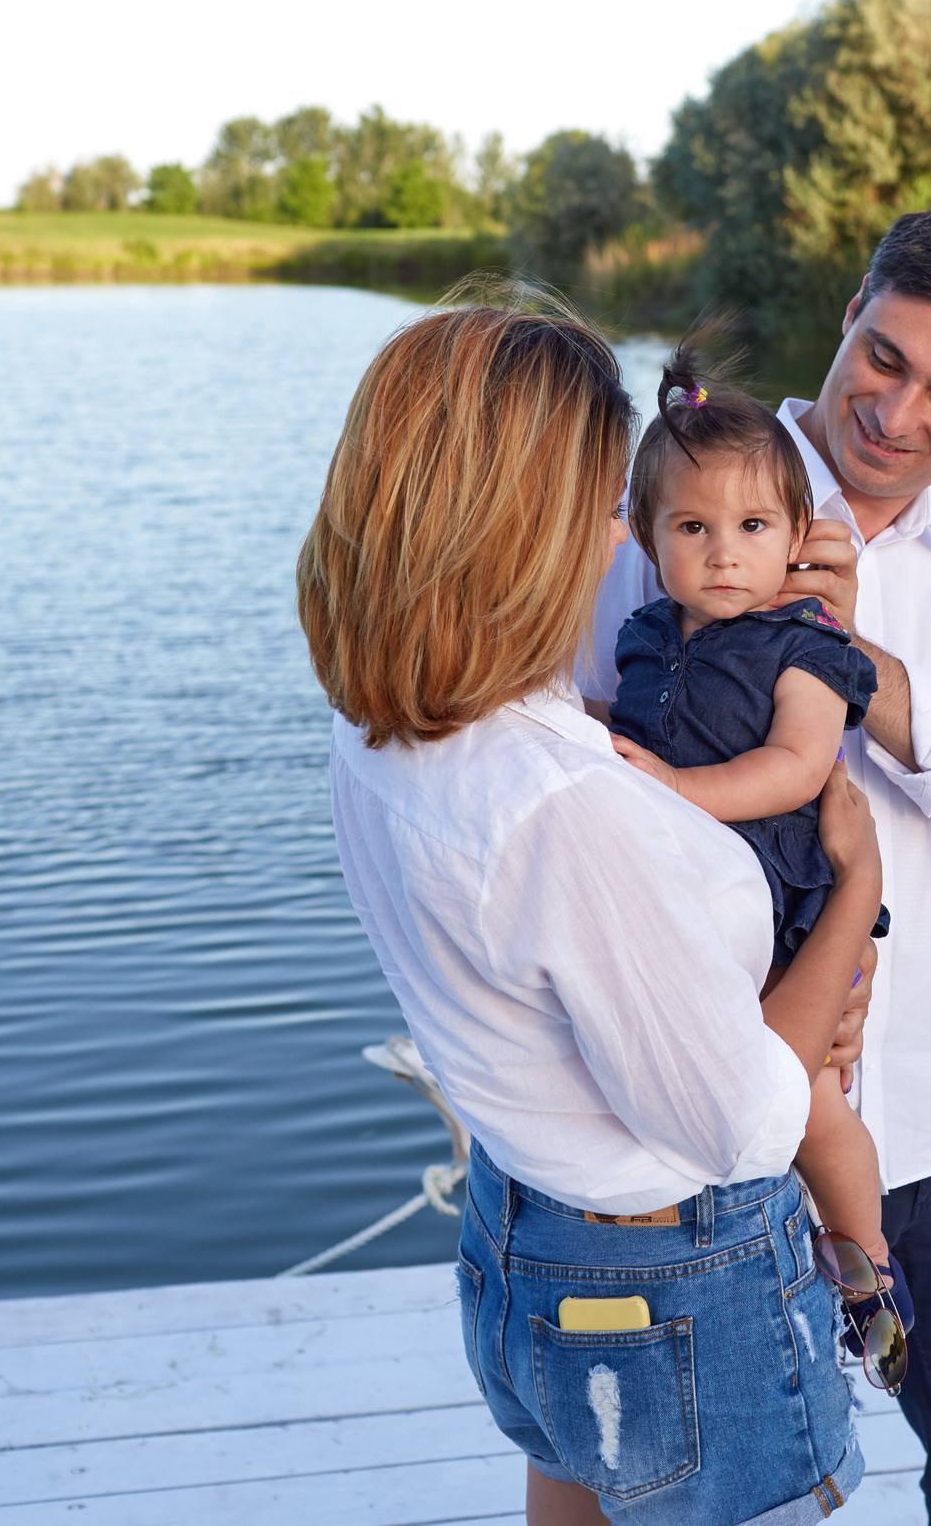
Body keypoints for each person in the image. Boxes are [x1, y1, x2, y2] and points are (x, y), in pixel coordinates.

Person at [300, 289, 883, 1525]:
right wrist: (856, 900)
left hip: (522, 1228)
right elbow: (741, 1125)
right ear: (521, 527)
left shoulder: (380, 730)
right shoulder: (565, 806)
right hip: (672, 1273)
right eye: (603, 503)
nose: (621, 531)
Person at [583, 203, 931, 1526]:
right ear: (851, 309)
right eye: (886, 358)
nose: (897, 414)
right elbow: (569, 765)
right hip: (712, 1117)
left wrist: (855, 655)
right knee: (690, 1486)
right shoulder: (677, 495)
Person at [598, 343, 907, 1371]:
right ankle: (746, 1266)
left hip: (787, 905)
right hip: (691, 915)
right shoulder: (646, 635)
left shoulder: (805, 646)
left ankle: (868, 1264)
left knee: (806, 1100)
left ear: (797, 536)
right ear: (649, 537)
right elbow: (624, 726)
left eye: (754, 528)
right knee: (710, 1096)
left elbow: (795, 766)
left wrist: (674, 789)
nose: (724, 553)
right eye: (693, 528)